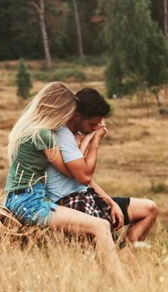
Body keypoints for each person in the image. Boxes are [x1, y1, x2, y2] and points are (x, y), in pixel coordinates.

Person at [4, 82, 126, 279]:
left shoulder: (29, 129)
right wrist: (92, 140)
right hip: (30, 202)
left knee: (97, 226)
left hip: (18, 198)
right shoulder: (44, 135)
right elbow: (73, 173)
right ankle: (122, 285)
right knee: (101, 226)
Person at [45, 87, 158, 253]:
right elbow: (84, 176)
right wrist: (95, 140)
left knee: (149, 208)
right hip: (70, 200)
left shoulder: (74, 134)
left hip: (85, 193)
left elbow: (83, 179)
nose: (95, 128)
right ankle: (118, 259)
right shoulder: (63, 136)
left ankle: (126, 255)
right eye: (92, 124)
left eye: (98, 124)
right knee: (103, 229)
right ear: (76, 116)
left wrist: (111, 203)